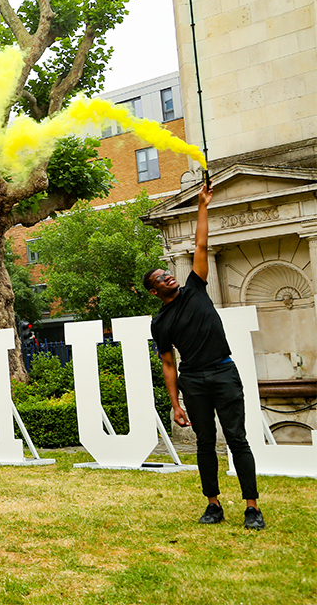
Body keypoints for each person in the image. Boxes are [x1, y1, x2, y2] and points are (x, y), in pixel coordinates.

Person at [144, 183, 264, 530]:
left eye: (168, 273)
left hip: (224, 372)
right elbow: (168, 363)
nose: (170, 276)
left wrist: (202, 206)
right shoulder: (161, 321)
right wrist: (175, 402)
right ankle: (213, 504)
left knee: (237, 440)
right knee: (206, 443)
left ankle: (252, 507)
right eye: (162, 278)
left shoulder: (195, 286)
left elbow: (200, 244)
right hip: (193, 380)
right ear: (155, 291)